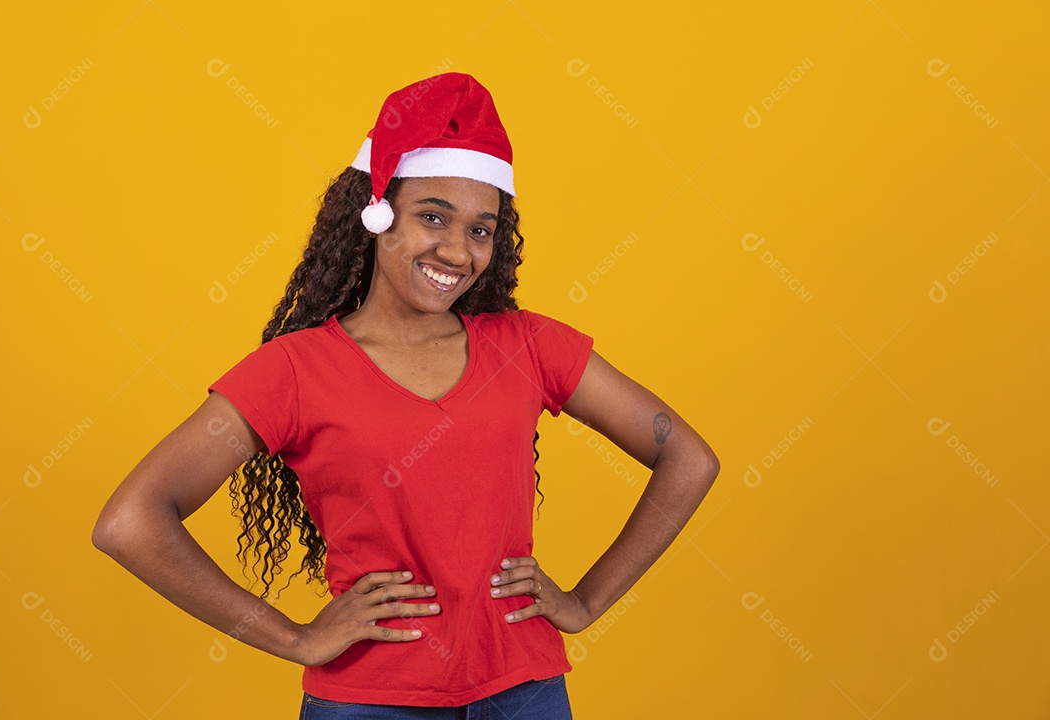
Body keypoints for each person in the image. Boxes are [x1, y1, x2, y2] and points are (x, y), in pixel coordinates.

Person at [93, 72, 721, 719]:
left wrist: (587, 603)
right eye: (432, 217)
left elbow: (689, 458)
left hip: (526, 693)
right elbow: (130, 521)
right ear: (376, 214)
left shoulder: (530, 344)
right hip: (369, 702)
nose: (458, 249)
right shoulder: (294, 371)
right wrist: (294, 638)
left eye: (481, 229)